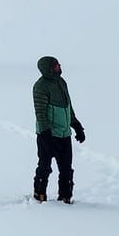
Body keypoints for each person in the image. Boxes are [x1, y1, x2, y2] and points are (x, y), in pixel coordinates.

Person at [32, 55, 86, 203]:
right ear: (49, 68)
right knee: (45, 166)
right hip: (48, 134)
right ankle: (39, 193)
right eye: (56, 65)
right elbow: (40, 113)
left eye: (59, 64)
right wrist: (46, 135)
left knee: (66, 169)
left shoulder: (62, 82)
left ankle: (65, 196)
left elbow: (68, 107)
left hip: (64, 134)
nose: (59, 66)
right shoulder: (40, 86)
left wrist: (76, 125)